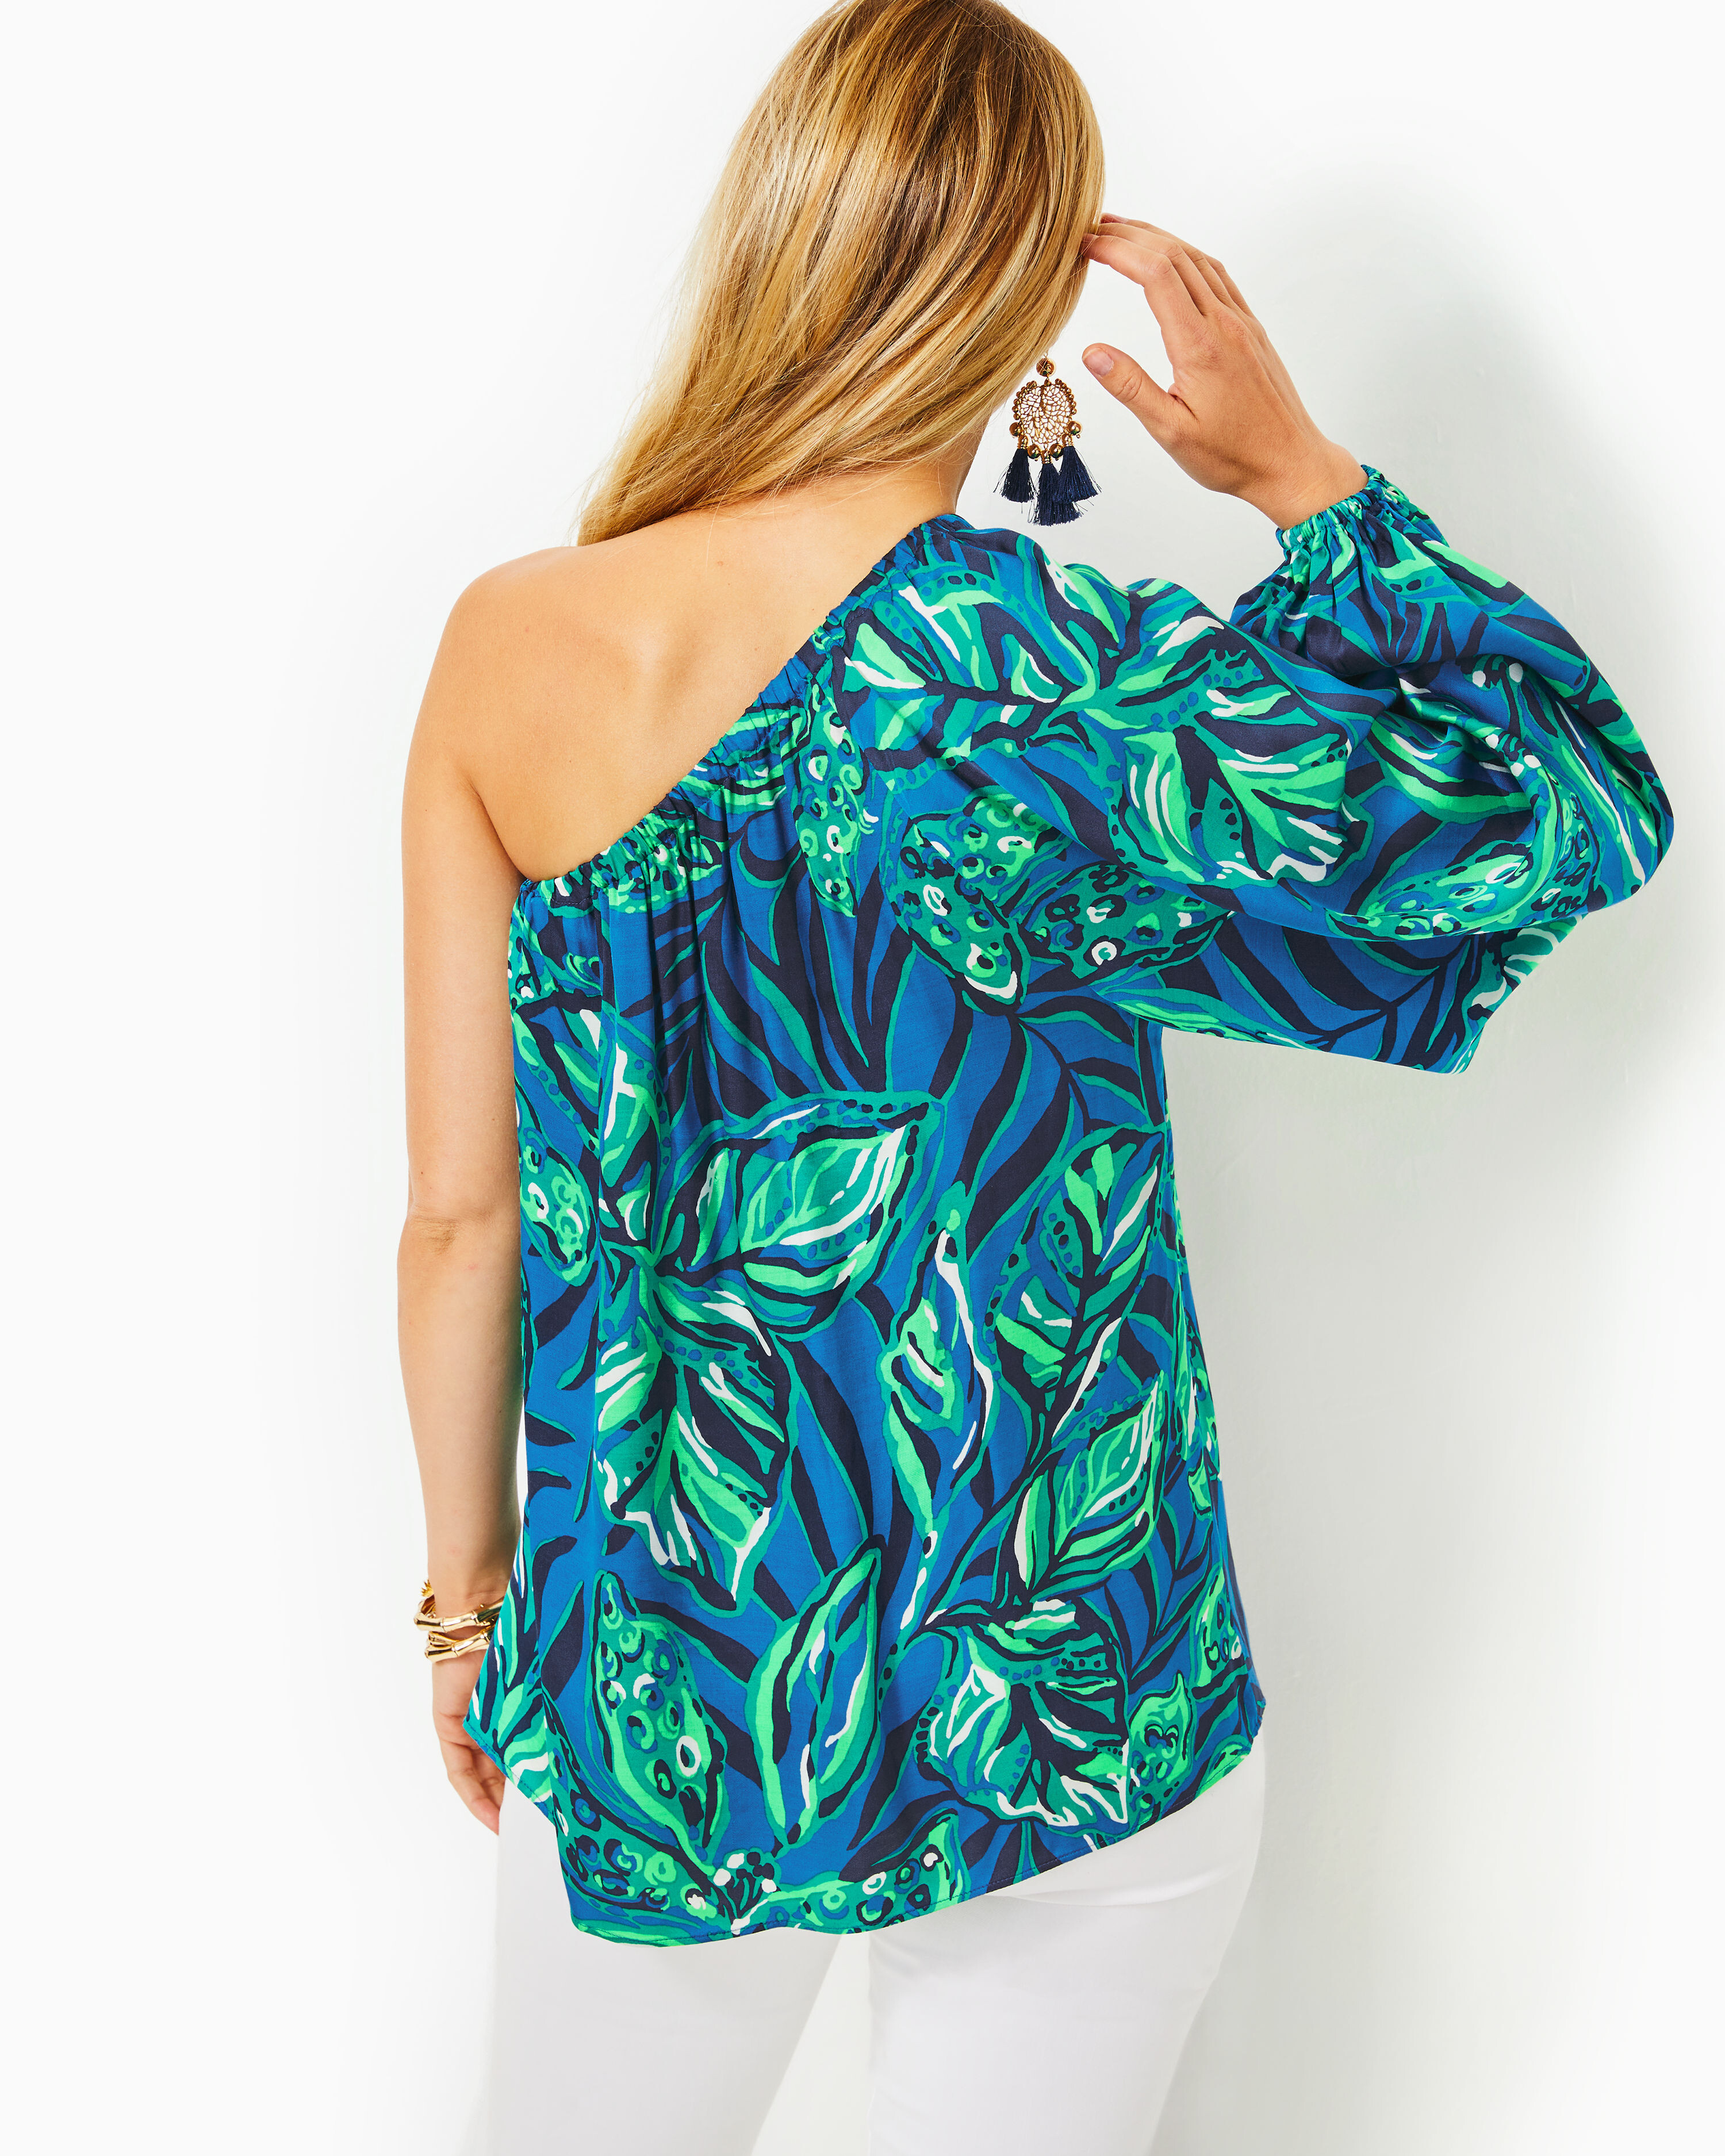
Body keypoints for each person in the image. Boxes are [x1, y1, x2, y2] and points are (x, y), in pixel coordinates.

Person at [397, 2, 1671, 2148]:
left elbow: (459, 1222)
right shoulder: (1046, 683)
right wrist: (1300, 480)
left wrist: (463, 1612)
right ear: (1019, 317)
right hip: (1071, 1671)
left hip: (668, 1675)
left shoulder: (507, 645)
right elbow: (1568, 807)